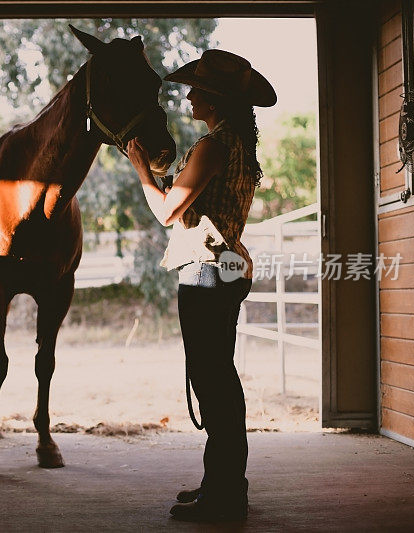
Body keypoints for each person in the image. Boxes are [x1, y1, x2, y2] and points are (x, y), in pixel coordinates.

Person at [126, 49, 276, 522]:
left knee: (213, 384)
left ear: (214, 99)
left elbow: (168, 210)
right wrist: (159, 172)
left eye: (197, 90)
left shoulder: (212, 146)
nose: (189, 95)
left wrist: (137, 166)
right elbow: (192, 193)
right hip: (226, 266)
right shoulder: (235, 145)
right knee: (219, 381)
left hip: (206, 269)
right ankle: (224, 484)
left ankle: (226, 496)